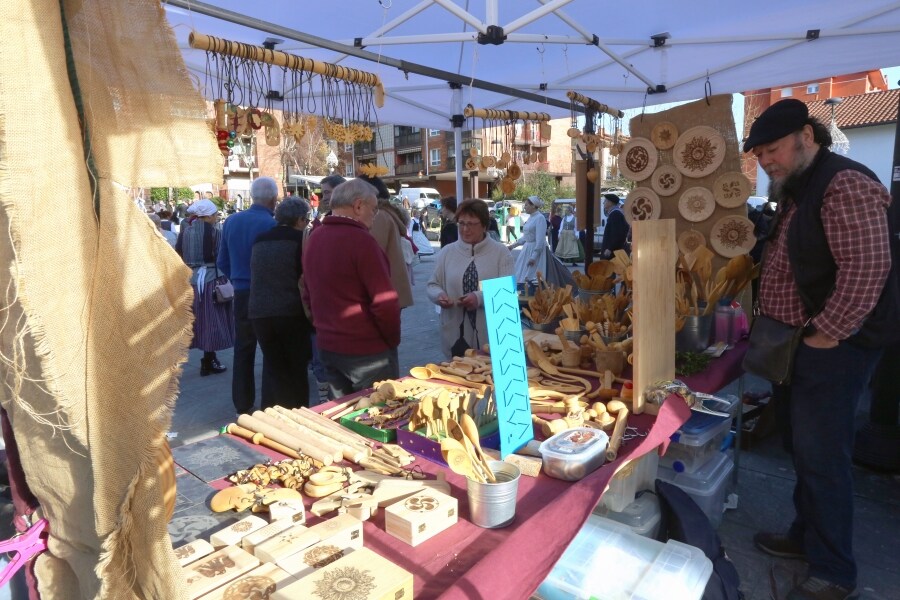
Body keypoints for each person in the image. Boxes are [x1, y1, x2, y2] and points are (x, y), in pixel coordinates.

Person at [745, 98, 898, 600]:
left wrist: (827, 333)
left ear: (806, 136)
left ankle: (834, 569)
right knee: (802, 447)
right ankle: (804, 536)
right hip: (799, 343)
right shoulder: (800, 188)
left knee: (823, 455)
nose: (766, 161)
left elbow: (867, 269)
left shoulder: (844, 182)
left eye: (773, 150)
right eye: (760, 154)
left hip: (834, 347)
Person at [302, 179, 401, 397]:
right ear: (358, 206)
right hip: (367, 351)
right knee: (380, 417)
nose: (374, 217)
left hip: (328, 346)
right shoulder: (362, 241)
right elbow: (385, 303)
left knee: (344, 416)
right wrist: (391, 341)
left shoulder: (315, 236)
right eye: (373, 210)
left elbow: (307, 292)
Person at [217, 176, 278, 415]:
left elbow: (222, 260)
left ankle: (242, 402)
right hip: (266, 293)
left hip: (241, 292)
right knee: (271, 348)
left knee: (243, 348)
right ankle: (271, 403)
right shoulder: (272, 225)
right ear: (273, 199)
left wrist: (238, 278)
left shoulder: (232, 221)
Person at [427, 199, 515, 357]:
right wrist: (439, 296)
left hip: (492, 335)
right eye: (461, 223)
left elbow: (507, 292)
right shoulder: (447, 253)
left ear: (484, 225)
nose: (465, 229)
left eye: (471, 224)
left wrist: (479, 297)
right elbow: (432, 285)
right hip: (455, 336)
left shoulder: (501, 253)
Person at [248, 197, 313, 410]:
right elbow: (306, 276)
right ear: (300, 219)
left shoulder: (260, 239)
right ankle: (298, 413)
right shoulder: (300, 240)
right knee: (296, 369)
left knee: (274, 368)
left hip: (260, 312)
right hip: (290, 311)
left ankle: (272, 412)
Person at [175, 199, 234, 377]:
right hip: (211, 280)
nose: (216, 218)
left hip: (192, 281)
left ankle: (208, 358)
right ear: (207, 216)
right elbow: (223, 256)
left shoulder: (185, 233)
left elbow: (178, 254)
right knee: (212, 321)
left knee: (199, 320)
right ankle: (209, 359)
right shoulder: (216, 233)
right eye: (215, 214)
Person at [361, 174, 414, 309]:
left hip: (384, 293)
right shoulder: (386, 214)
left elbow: (371, 255)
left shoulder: (379, 217)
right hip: (389, 289)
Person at [508, 196, 547, 285]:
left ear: (533, 206)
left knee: (531, 275)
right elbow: (526, 237)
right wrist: (513, 246)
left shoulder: (540, 218)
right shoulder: (530, 218)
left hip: (535, 251)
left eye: (526, 205)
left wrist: (534, 257)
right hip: (527, 249)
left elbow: (540, 240)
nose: (524, 207)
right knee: (520, 273)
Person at [598, 194, 629, 259]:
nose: (603, 203)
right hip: (613, 250)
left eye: (605, 201)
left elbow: (617, 234)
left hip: (613, 252)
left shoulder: (615, 214)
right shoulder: (616, 213)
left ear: (610, 203)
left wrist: (610, 248)